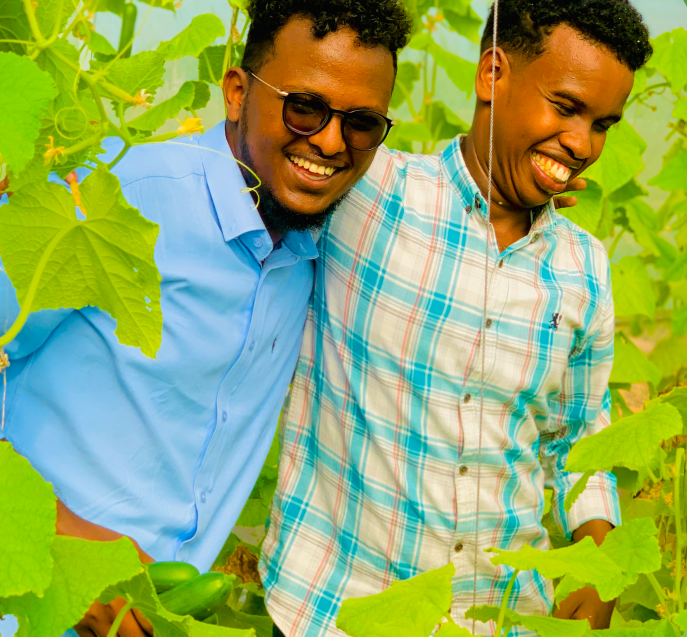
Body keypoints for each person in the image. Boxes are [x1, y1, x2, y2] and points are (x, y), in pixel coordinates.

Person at [0, 2, 411, 636]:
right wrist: (54, 538)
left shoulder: (318, 247)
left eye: (361, 123)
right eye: (303, 106)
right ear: (235, 93)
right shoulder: (116, 200)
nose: (331, 141)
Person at [259, 1, 653, 635]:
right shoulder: (367, 192)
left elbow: (579, 437)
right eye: (566, 108)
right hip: (335, 609)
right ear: (491, 74)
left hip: (506, 618)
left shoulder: (583, 267)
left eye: (603, 124)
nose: (583, 143)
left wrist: (596, 555)